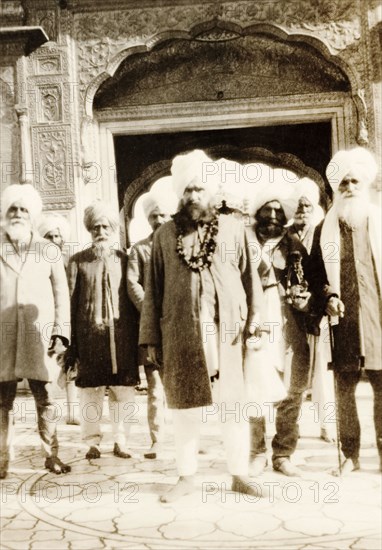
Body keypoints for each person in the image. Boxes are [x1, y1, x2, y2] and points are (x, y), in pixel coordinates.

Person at [139, 150, 264, 502]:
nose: (193, 196)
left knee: (233, 406)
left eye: (199, 189)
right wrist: (150, 338)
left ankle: (239, 474)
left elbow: (250, 280)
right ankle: (186, 477)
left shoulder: (234, 229)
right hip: (181, 333)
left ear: (211, 192)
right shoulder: (164, 235)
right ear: (180, 195)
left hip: (229, 334)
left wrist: (257, 321)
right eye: (187, 190)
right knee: (184, 406)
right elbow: (153, 291)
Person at [310, 147, 381, 475]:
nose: (349, 187)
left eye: (354, 182)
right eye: (343, 183)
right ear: (335, 190)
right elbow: (313, 276)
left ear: (364, 185)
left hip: (378, 318)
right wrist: (327, 298)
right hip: (344, 320)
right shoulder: (324, 229)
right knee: (345, 387)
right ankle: (350, 455)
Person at [245, 177, 321, 477]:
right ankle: (256, 453)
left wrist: (307, 302)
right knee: (254, 392)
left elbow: (314, 283)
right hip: (254, 326)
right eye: (268, 211)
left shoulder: (295, 246)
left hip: (289, 328)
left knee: (292, 392)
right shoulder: (243, 241)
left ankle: (283, 454)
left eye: (279, 212)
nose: (274, 217)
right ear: (258, 213)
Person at [0, 184, 71, 478]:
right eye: (12, 209)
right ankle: (2, 459)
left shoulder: (48, 250)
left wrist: (60, 333)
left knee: (47, 399)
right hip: (2, 337)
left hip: (40, 336)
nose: (17, 214)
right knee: (2, 401)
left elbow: (61, 295)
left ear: (32, 214)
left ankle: (51, 455)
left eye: (23, 209)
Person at [67, 201, 140, 460]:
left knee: (124, 392)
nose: (101, 231)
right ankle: (92, 442)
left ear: (113, 230)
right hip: (89, 339)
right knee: (90, 393)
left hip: (122, 338)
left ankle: (122, 441)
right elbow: (70, 303)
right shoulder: (77, 262)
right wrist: (71, 345)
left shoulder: (126, 260)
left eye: (105, 226)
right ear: (90, 230)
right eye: (96, 227)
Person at [127, 190, 177, 459]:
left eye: (163, 214)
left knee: (181, 385)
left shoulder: (180, 246)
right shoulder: (139, 250)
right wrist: (150, 308)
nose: (159, 219)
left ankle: (186, 437)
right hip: (150, 329)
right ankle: (157, 438)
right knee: (155, 387)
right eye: (154, 215)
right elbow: (131, 282)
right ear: (148, 219)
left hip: (178, 326)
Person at [288, 179, 335, 443]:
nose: (302, 210)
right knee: (293, 373)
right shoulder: (286, 236)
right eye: (298, 205)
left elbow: (327, 271)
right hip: (291, 314)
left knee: (322, 372)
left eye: (306, 205)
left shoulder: (322, 232)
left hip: (317, 309)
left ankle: (327, 425)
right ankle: (290, 427)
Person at [38, 212, 80, 426]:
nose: (54, 241)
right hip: (46, 319)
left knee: (71, 364)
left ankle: (73, 410)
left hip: (69, 318)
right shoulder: (36, 262)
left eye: (57, 236)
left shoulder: (70, 261)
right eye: (49, 237)